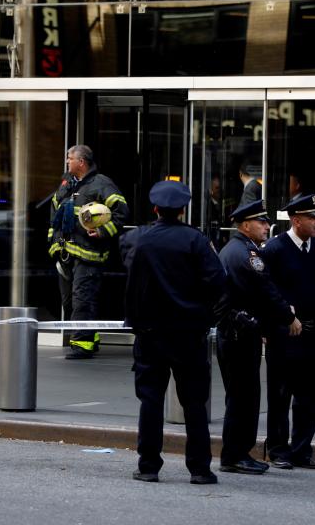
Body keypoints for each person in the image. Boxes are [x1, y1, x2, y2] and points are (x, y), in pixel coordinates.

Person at [120, 180, 225, 484]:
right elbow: (218, 281)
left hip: (150, 332)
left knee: (150, 400)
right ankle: (200, 469)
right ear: (182, 209)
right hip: (188, 333)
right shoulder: (195, 240)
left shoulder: (138, 238)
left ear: (155, 208)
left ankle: (148, 465)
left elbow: (125, 261)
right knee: (194, 403)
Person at [215, 200, 302, 475]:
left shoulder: (235, 249)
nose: (267, 226)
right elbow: (266, 290)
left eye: (266, 221)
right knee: (244, 396)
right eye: (261, 222)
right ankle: (235, 454)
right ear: (245, 225)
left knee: (241, 395)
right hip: (240, 334)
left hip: (239, 331)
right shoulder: (247, 254)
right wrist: (288, 318)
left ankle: (236, 452)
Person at [259, 194, 315, 470]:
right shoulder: (274, 249)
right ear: (296, 220)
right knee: (281, 394)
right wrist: (273, 324)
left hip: (314, 333)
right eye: (312, 217)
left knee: (309, 395)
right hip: (285, 334)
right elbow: (265, 292)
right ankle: (279, 449)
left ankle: (302, 450)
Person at [48, 145, 129, 359]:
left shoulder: (102, 184)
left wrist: (102, 232)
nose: (67, 162)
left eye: (69, 158)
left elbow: (121, 213)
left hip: (89, 255)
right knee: (69, 302)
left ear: (81, 162)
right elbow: (54, 210)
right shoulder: (67, 183)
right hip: (65, 253)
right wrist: (52, 241)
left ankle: (82, 345)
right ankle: (90, 339)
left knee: (82, 299)